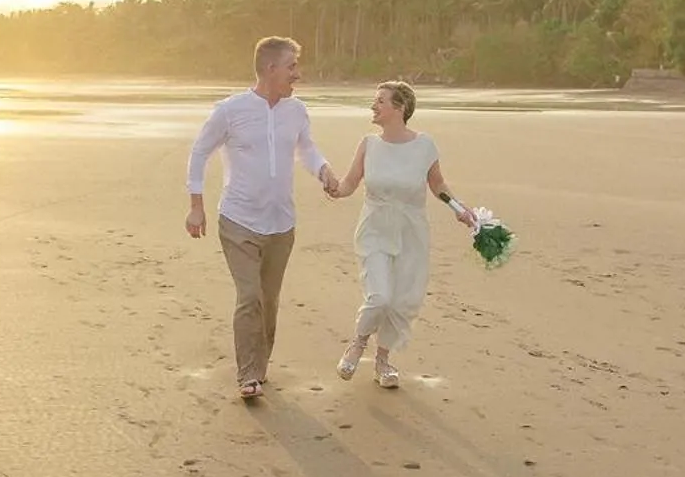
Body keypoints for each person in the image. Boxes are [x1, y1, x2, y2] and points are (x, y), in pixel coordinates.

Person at [186, 37, 338, 400]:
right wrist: (196, 204)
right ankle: (248, 374)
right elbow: (199, 151)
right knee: (249, 296)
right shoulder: (230, 110)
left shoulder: (296, 110)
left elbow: (307, 149)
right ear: (271, 69)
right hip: (238, 221)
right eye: (291, 67)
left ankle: (260, 365)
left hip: (282, 223)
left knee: (269, 300)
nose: (297, 75)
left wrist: (324, 171)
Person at [325, 80, 473, 388]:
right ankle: (358, 342)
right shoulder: (369, 144)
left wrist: (459, 208)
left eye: (381, 101)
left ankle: (383, 361)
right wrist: (332, 186)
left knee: (401, 300)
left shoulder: (424, 145)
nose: (374, 106)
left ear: (400, 108)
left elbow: (438, 185)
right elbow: (350, 183)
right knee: (379, 296)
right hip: (374, 228)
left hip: (411, 231)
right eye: (374, 100)